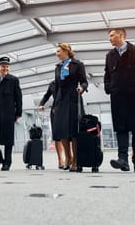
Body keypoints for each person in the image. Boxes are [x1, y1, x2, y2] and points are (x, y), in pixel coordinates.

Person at [104, 28, 135, 173]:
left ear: (121, 35)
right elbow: (107, 74)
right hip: (117, 96)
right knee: (121, 128)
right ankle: (123, 160)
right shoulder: (110, 55)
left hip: (134, 95)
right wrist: (109, 87)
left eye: (112, 36)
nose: (110, 39)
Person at [52, 43, 88, 172]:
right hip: (60, 100)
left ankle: (76, 160)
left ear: (66, 51)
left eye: (58, 51)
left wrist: (82, 88)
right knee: (62, 130)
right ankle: (67, 158)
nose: (57, 53)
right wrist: (55, 104)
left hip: (74, 98)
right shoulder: (58, 67)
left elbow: (84, 81)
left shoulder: (78, 64)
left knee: (74, 131)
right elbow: (56, 87)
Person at [38, 80, 65, 169]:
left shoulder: (69, 80)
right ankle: (60, 159)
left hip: (67, 108)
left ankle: (70, 157)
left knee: (68, 135)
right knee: (57, 135)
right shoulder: (52, 84)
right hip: (55, 110)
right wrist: (41, 104)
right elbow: (46, 96)